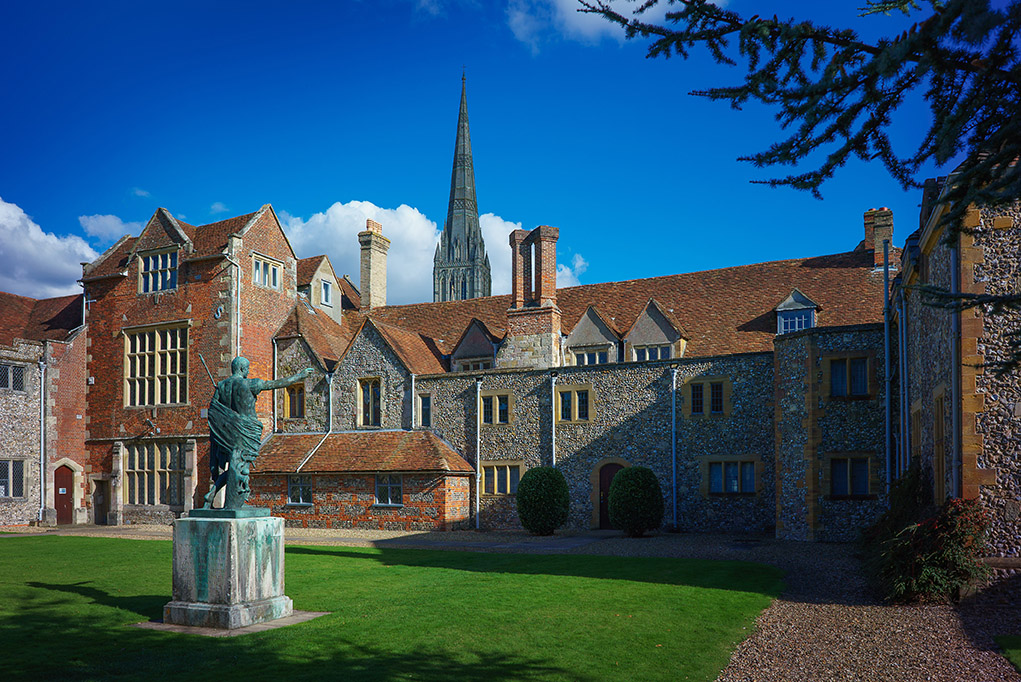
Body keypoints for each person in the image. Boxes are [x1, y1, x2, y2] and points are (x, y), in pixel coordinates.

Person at [203, 357, 314, 509]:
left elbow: (213, 411)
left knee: (236, 465)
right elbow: (275, 384)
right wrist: (299, 376)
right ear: (242, 369)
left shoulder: (222, 386)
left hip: (228, 431)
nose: (248, 372)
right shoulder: (249, 384)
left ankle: (212, 494)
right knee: (242, 466)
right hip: (247, 430)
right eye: (247, 368)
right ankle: (236, 503)